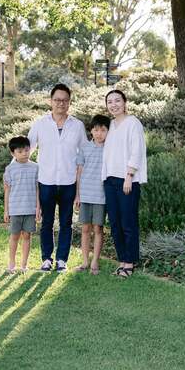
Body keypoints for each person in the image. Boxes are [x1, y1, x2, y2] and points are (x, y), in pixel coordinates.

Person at [27, 84, 87, 273]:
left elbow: (84, 154)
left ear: (69, 102)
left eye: (64, 100)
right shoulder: (40, 124)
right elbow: (27, 150)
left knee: (66, 223)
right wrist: (14, 169)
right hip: (46, 181)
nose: (61, 103)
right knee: (46, 222)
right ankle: (46, 259)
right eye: (57, 100)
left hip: (69, 182)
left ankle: (62, 259)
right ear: (50, 101)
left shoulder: (77, 126)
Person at [102, 89, 147, 279]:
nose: (114, 105)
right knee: (115, 222)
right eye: (110, 102)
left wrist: (129, 175)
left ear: (125, 102)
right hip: (110, 180)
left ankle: (129, 262)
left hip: (127, 179)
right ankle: (122, 260)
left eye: (117, 101)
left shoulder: (133, 123)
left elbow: (136, 150)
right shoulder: (110, 125)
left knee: (128, 222)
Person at [73, 114, 111, 275]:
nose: (99, 134)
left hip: (101, 196)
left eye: (103, 130)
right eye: (96, 130)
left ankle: (95, 261)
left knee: (98, 229)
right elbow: (79, 172)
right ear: (91, 131)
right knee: (85, 228)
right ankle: (84, 261)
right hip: (85, 194)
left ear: (108, 131)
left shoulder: (111, 149)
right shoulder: (85, 148)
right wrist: (77, 195)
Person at [3, 136, 40, 273]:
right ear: (13, 153)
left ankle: (24, 264)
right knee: (14, 236)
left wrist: (38, 208)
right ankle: (11, 263)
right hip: (15, 209)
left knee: (27, 236)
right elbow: (7, 191)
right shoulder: (10, 169)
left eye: (26, 150)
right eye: (20, 151)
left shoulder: (36, 167)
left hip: (30, 208)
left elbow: (37, 189)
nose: (24, 153)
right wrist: (6, 210)